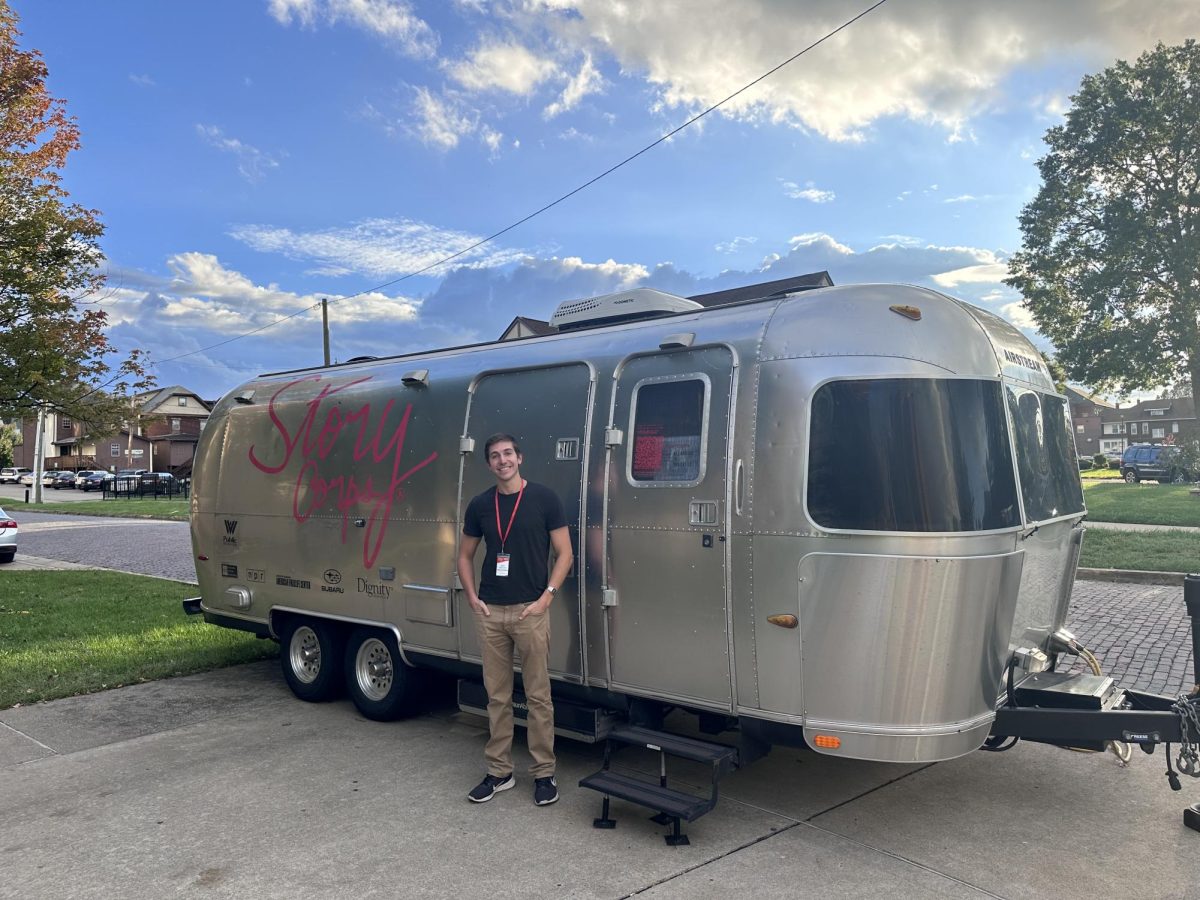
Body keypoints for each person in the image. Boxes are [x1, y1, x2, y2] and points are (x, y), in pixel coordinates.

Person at [458, 433, 572, 806]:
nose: (502, 460)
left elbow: (565, 554)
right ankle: (499, 772)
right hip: (491, 612)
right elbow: (465, 556)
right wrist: (473, 597)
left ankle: (544, 774)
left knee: (539, 696)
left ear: (519, 458)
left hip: (530, 611)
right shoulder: (480, 505)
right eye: (494, 456)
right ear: (489, 464)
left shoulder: (544, 499)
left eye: (508, 454)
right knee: (497, 696)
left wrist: (545, 599)